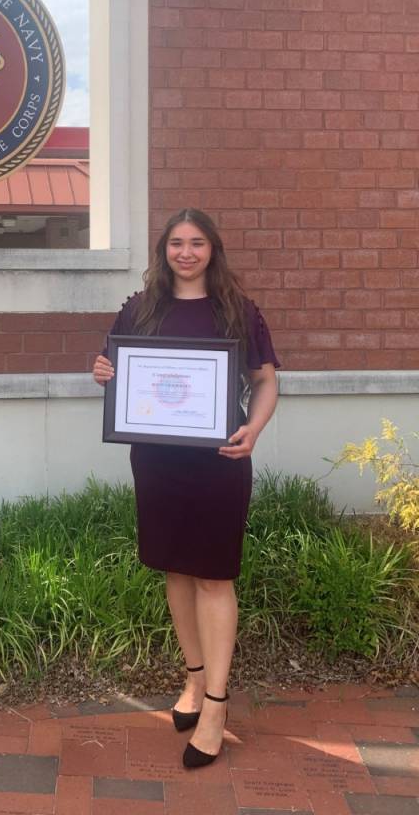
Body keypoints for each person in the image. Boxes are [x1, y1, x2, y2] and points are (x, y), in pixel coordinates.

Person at [92, 208, 279, 769]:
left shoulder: (237, 311)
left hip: (220, 462)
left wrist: (255, 429)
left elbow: (265, 381)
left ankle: (217, 706)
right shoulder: (140, 307)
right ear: (163, 250)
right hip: (157, 463)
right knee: (175, 569)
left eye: (198, 243)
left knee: (214, 577)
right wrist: (102, 371)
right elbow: (113, 366)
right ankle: (193, 682)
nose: (187, 252)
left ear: (213, 250)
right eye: (177, 242)